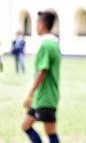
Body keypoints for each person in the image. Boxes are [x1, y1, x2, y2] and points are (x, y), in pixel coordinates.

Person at [22, 11, 61, 143]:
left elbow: (42, 72)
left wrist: (30, 94)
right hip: (43, 97)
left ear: (42, 25)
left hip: (45, 97)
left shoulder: (47, 45)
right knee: (26, 126)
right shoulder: (53, 43)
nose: (36, 27)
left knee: (50, 132)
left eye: (37, 23)